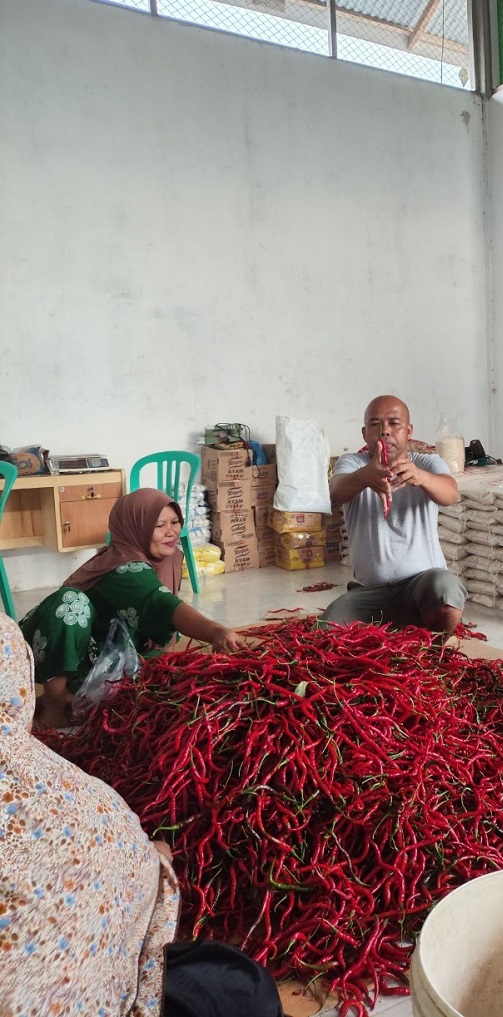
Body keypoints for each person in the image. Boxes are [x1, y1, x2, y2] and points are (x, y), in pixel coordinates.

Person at [0, 612, 283, 1017]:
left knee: (238, 990)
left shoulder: (27, 761)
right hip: (111, 979)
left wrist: (138, 858)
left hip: (124, 951)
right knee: (237, 995)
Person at [19, 488, 246, 729]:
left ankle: (69, 697)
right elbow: (161, 604)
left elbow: (162, 629)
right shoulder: (124, 566)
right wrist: (215, 632)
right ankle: (54, 704)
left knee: (169, 681)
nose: (171, 532)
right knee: (70, 603)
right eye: (159, 526)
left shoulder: (170, 557)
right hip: (68, 648)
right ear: (134, 526)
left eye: (175, 522)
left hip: (106, 648)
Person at [319, 394, 467, 637]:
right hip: (368, 591)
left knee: (445, 592)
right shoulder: (353, 463)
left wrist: (421, 478)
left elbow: (451, 494)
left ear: (409, 431)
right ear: (365, 433)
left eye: (394, 423)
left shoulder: (428, 463)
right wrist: (364, 477)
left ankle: (435, 639)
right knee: (325, 634)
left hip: (421, 585)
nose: (384, 432)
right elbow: (335, 492)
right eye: (376, 424)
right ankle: (401, 627)